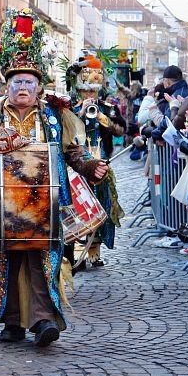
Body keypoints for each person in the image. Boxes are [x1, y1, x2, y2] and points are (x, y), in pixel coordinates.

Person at [0, 9, 108, 347]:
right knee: (5, 261)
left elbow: (73, 150)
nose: (23, 87)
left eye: (29, 82)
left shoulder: (55, 115)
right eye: (17, 82)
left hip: (45, 201)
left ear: (39, 87)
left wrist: (89, 165)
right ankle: (11, 322)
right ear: (7, 85)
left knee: (42, 261)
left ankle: (43, 321)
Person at [69, 55, 125, 269]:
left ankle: (95, 252)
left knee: (101, 204)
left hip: (101, 162)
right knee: (78, 206)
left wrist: (102, 117)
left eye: (93, 91)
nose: (90, 95)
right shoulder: (69, 108)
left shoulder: (108, 107)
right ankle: (76, 252)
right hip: (76, 164)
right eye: (86, 91)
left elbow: (120, 130)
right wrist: (80, 113)